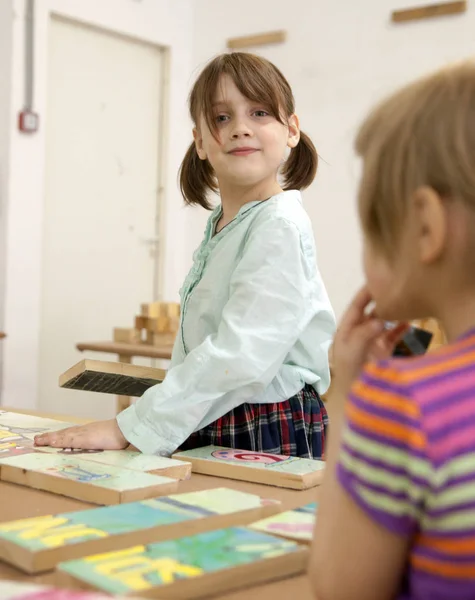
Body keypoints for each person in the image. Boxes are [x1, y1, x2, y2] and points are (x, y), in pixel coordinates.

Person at [35, 52, 335, 458]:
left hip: (265, 420)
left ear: (292, 131)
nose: (240, 128)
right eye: (222, 117)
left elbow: (242, 354)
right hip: (223, 410)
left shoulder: (278, 224)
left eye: (260, 112)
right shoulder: (224, 224)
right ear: (200, 141)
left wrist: (131, 424)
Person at [310, 61, 475, 599]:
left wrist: (348, 395)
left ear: (425, 228)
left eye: (372, 229)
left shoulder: (404, 402)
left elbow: (339, 588)